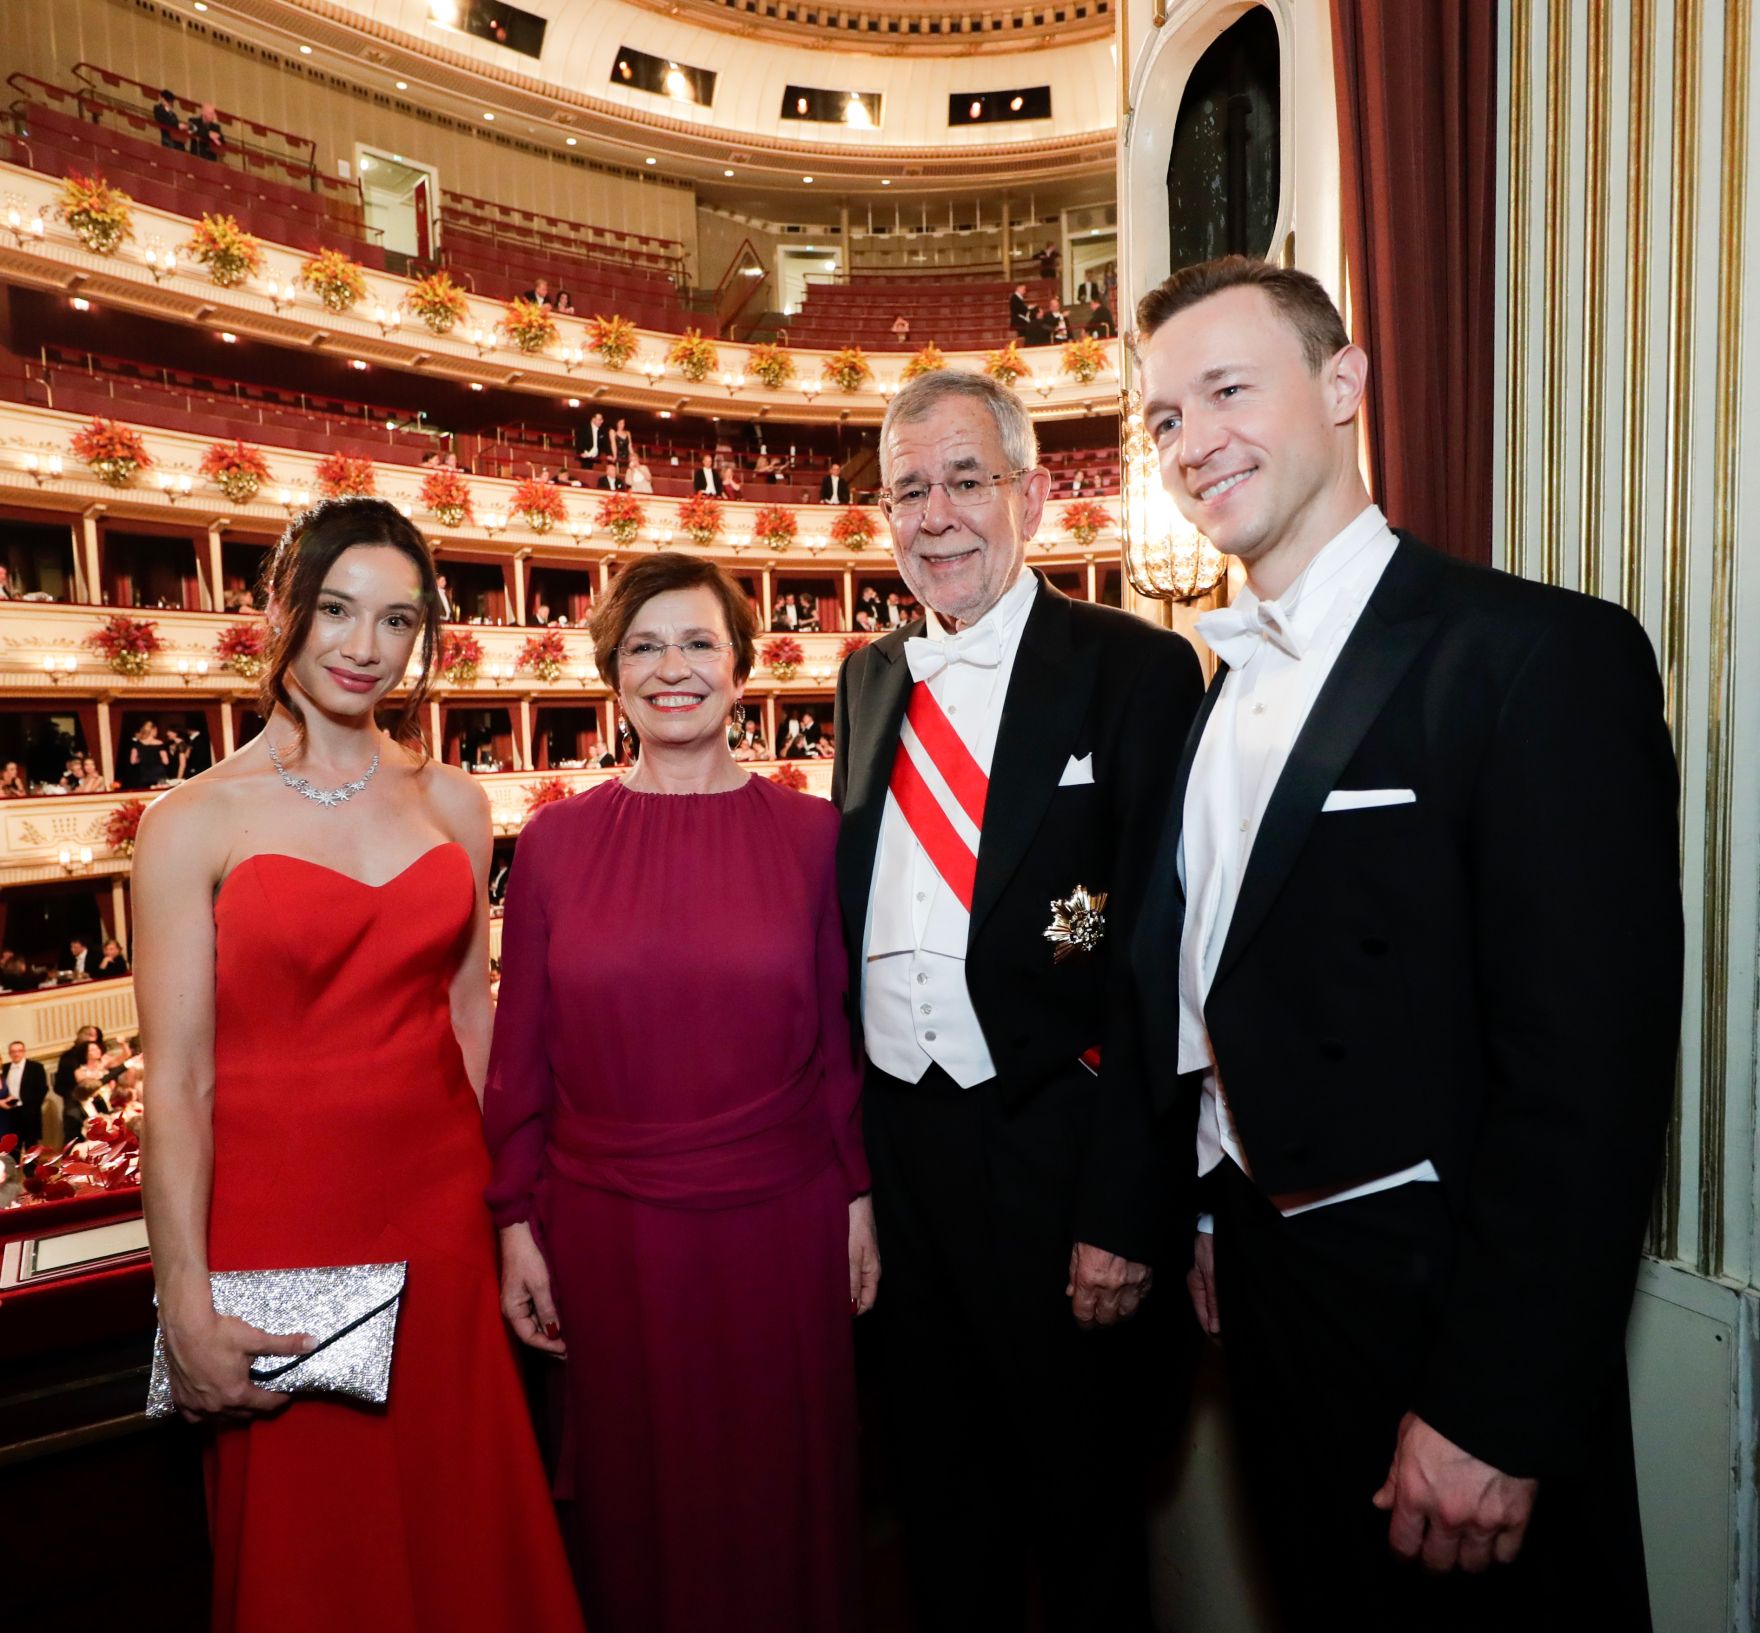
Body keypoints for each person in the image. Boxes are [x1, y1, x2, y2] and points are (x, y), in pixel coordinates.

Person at [1130, 255, 1682, 1630]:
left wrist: (1496, 1405)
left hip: (1446, 1321)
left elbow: (1588, 1080)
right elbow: (1219, 988)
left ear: (1343, 384)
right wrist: (1212, 1200)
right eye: (1162, 420)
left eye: (1227, 390)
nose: (1194, 441)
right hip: (1269, 1295)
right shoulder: (1210, 695)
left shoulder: (1535, 655)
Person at [133, 497, 583, 1633]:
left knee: (458, 1523)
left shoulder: (454, 803)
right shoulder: (191, 820)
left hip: (439, 1217)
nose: (362, 646)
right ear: (278, 608)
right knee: (316, 1555)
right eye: (335, 609)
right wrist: (182, 1293)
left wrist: (514, 1220)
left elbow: (468, 1026)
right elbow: (177, 1085)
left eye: (394, 620)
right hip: (280, 1227)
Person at [831, 370, 1203, 1631]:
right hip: (908, 1152)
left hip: (1057, 1150)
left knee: (1084, 1516)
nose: (934, 516)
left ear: (1032, 496)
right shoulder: (865, 677)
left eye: (964, 481)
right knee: (939, 1509)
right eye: (906, 491)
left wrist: (1127, 1208)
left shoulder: (1137, 671)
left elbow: (1162, 963)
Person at [487, 551, 876, 1633]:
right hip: (608, 1234)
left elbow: (840, 1036)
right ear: (612, 674)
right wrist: (513, 1218)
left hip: (780, 1221)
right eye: (644, 646)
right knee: (637, 1509)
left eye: (698, 642)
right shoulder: (556, 842)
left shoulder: (811, 837)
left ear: (741, 670)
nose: (673, 668)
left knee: (779, 1493)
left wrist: (856, 1197)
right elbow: (523, 1045)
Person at [0, 1040, 50, 1151]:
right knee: (13, 1145)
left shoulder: (36, 1067)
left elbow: (43, 1089)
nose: (16, 1054)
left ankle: (30, 1169)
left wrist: (34, 1107)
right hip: (10, 1112)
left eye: (19, 1051)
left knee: (31, 1144)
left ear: (24, 1052)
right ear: (9, 1053)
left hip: (29, 1111)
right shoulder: (5, 1068)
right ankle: (14, 1168)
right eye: (13, 1051)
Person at [124, 721, 171, 790]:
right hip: (160, 775)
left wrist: (142, 759)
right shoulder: (160, 744)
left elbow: (132, 761)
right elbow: (166, 761)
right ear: (153, 731)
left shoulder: (137, 744)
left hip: (144, 775)